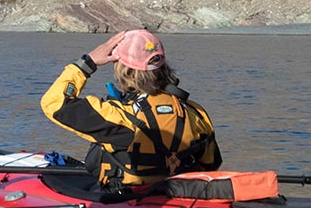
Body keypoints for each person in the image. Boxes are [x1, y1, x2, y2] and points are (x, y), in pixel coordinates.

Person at [40, 29, 221, 194]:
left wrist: (87, 64)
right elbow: (211, 164)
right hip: (180, 199)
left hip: (124, 201)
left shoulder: (119, 115)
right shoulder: (195, 112)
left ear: (124, 71)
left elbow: (53, 103)